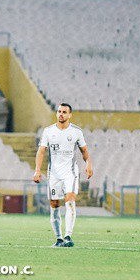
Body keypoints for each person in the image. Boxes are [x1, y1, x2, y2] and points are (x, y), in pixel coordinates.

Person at [33, 103, 93, 248]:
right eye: (59, 111)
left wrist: (88, 164)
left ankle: (68, 236)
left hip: (70, 173)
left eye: (64, 112)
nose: (61, 114)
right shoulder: (48, 131)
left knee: (70, 200)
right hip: (54, 174)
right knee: (54, 204)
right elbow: (41, 151)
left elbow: (84, 150)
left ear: (70, 115)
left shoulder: (76, 131)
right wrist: (37, 170)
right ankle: (59, 238)